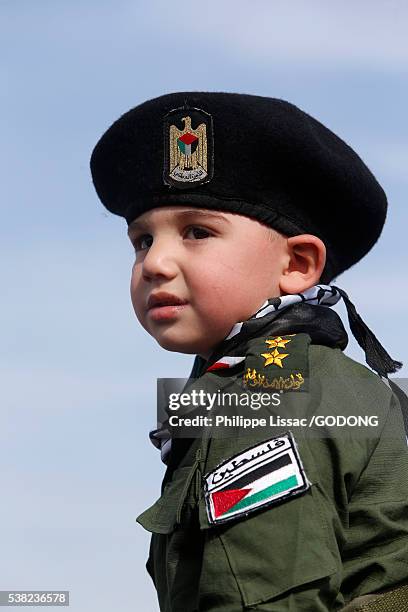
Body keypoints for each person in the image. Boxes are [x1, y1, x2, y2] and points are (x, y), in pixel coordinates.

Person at [90, 92, 408, 611]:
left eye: (197, 232)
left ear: (298, 265)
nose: (155, 263)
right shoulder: (304, 376)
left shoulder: (269, 393)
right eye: (142, 240)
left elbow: (259, 599)